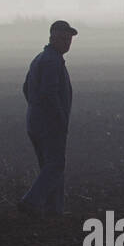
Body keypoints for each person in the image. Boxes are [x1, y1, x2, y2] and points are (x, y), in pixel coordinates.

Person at [18, 20, 77, 216]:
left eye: (69, 39)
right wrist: (59, 117)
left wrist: (34, 110)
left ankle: (54, 210)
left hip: (35, 122)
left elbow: (26, 88)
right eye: (63, 38)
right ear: (52, 38)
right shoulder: (52, 61)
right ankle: (31, 201)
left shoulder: (40, 58)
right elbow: (49, 92)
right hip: (50, 125)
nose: (67, 42)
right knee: (55, 165)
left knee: (50, 166)